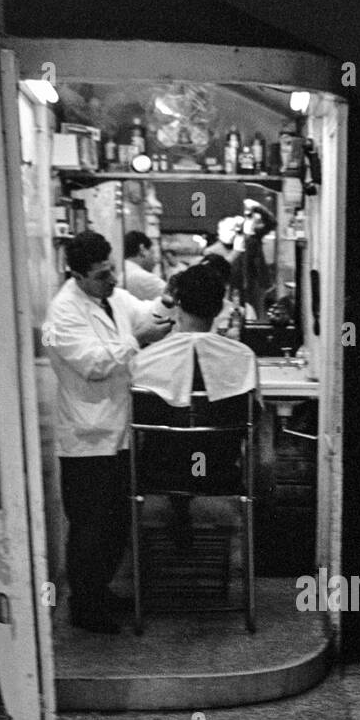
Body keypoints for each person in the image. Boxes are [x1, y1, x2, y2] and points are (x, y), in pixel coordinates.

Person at [43, 231, 174, 632]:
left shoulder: (112, 297)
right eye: (102, 275)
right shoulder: (64, 312)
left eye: (112, 269)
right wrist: (137, 341)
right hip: (87, 438)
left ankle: (100, 591)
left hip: (119, 433)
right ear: (78, 275)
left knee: (117, 523)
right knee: (89, 528)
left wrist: (168, 301)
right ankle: (85, 607)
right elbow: (94, 364)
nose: (113, 279)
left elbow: (145, 313)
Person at [130, 261, 258, 551]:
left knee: (173, 440)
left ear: (177, 304)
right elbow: (253, 418)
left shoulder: (146, 358)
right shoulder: (243, 357)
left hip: (160, 471)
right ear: (218, 309)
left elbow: (139, 419)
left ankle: (177, 511)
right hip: (220, 470)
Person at [123, 230, 166, 300]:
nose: (156, 260)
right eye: (152, 253)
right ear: (142, 249)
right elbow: (181, 299)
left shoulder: (119, 270)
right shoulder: (144, 277)